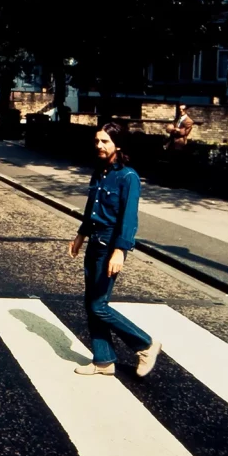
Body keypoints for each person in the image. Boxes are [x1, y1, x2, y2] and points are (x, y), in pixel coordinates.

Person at [69, 122, 161, 377]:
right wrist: (80, 235)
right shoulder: (100, 171)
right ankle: (103, 360)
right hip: (95, 241)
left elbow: (129, 218)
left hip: (110, 244)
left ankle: (145, 345)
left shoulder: (128, 177)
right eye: (97, 140)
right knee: (91, 303)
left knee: (99, 305)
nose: (99, 145)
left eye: (105, 141)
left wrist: (120, 250)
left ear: (118, 145)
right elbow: (92, 208)